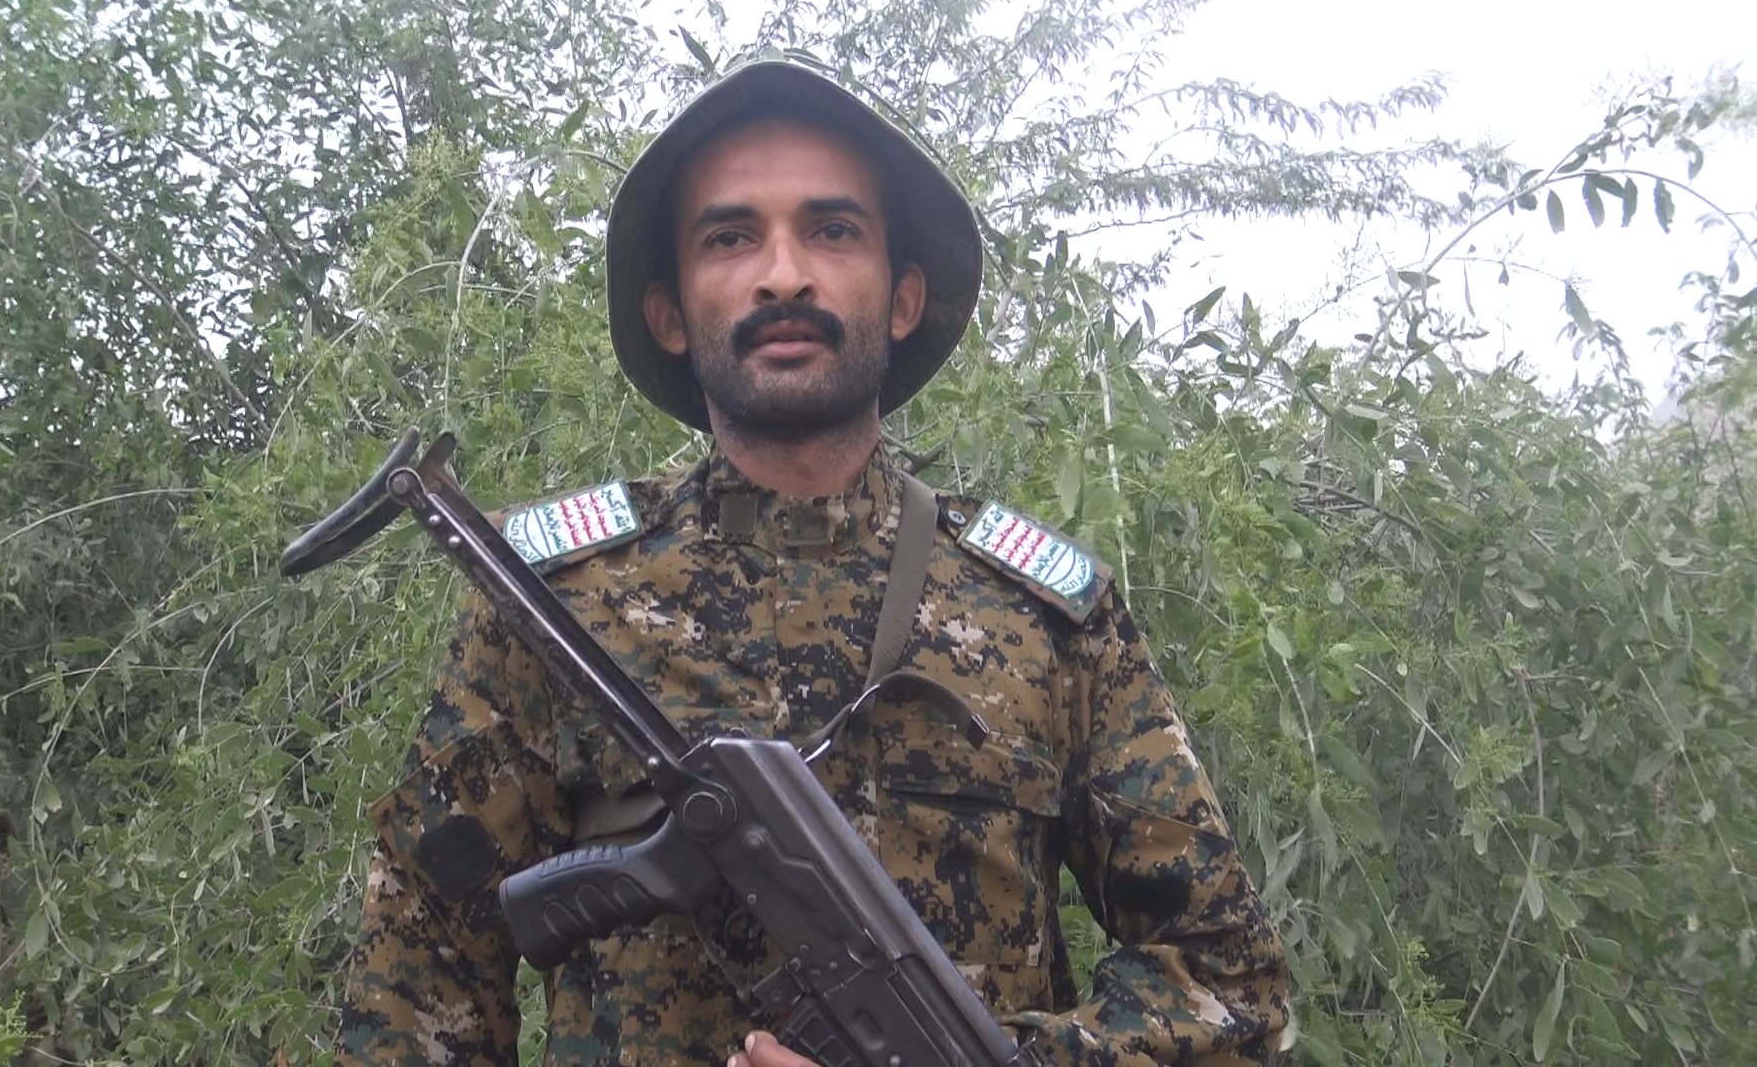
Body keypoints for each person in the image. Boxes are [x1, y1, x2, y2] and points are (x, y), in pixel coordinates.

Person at [338, 60, 1292, 1066]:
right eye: (730, 237)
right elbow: (415, 996)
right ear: (669, 313)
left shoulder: (1044, 618)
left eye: (833, 231)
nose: (784, 274)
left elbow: (1228, 986)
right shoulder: (559, 603)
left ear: (903, 297)